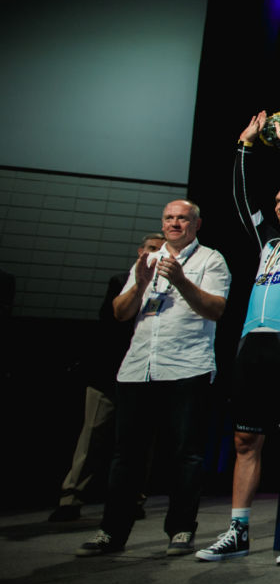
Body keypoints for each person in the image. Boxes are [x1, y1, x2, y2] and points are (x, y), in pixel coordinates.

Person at [196, 112, 280, 565]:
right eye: (277, 201)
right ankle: (237, 531)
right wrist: (244, 146)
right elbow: (241, 200)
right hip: (249, 347)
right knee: (243, 442)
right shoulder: (268, 244)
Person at [76, 201, 230, 557]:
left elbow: (215, 309)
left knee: (185, 455)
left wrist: (180, 280)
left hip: (187, 366)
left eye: (182, 218)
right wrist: (140, 284)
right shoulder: (146, 261)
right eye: (169, 218)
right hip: (138, 367)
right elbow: (120, 312)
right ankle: (111, 532)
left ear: (196, 224)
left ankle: (181, 530)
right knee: (125, 456)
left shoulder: (211, 259)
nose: (175, 223)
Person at [53, 233, 164, 523]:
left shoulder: (168, 286)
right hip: (108, 371)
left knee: (140, 440)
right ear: (141, 251)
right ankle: (71, 498)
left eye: (161, 249)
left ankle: (134, 498)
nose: (156, 253)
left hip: (145, 373)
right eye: (152, 248)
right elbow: (112, 320)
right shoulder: (120, 281)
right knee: (92, 436)